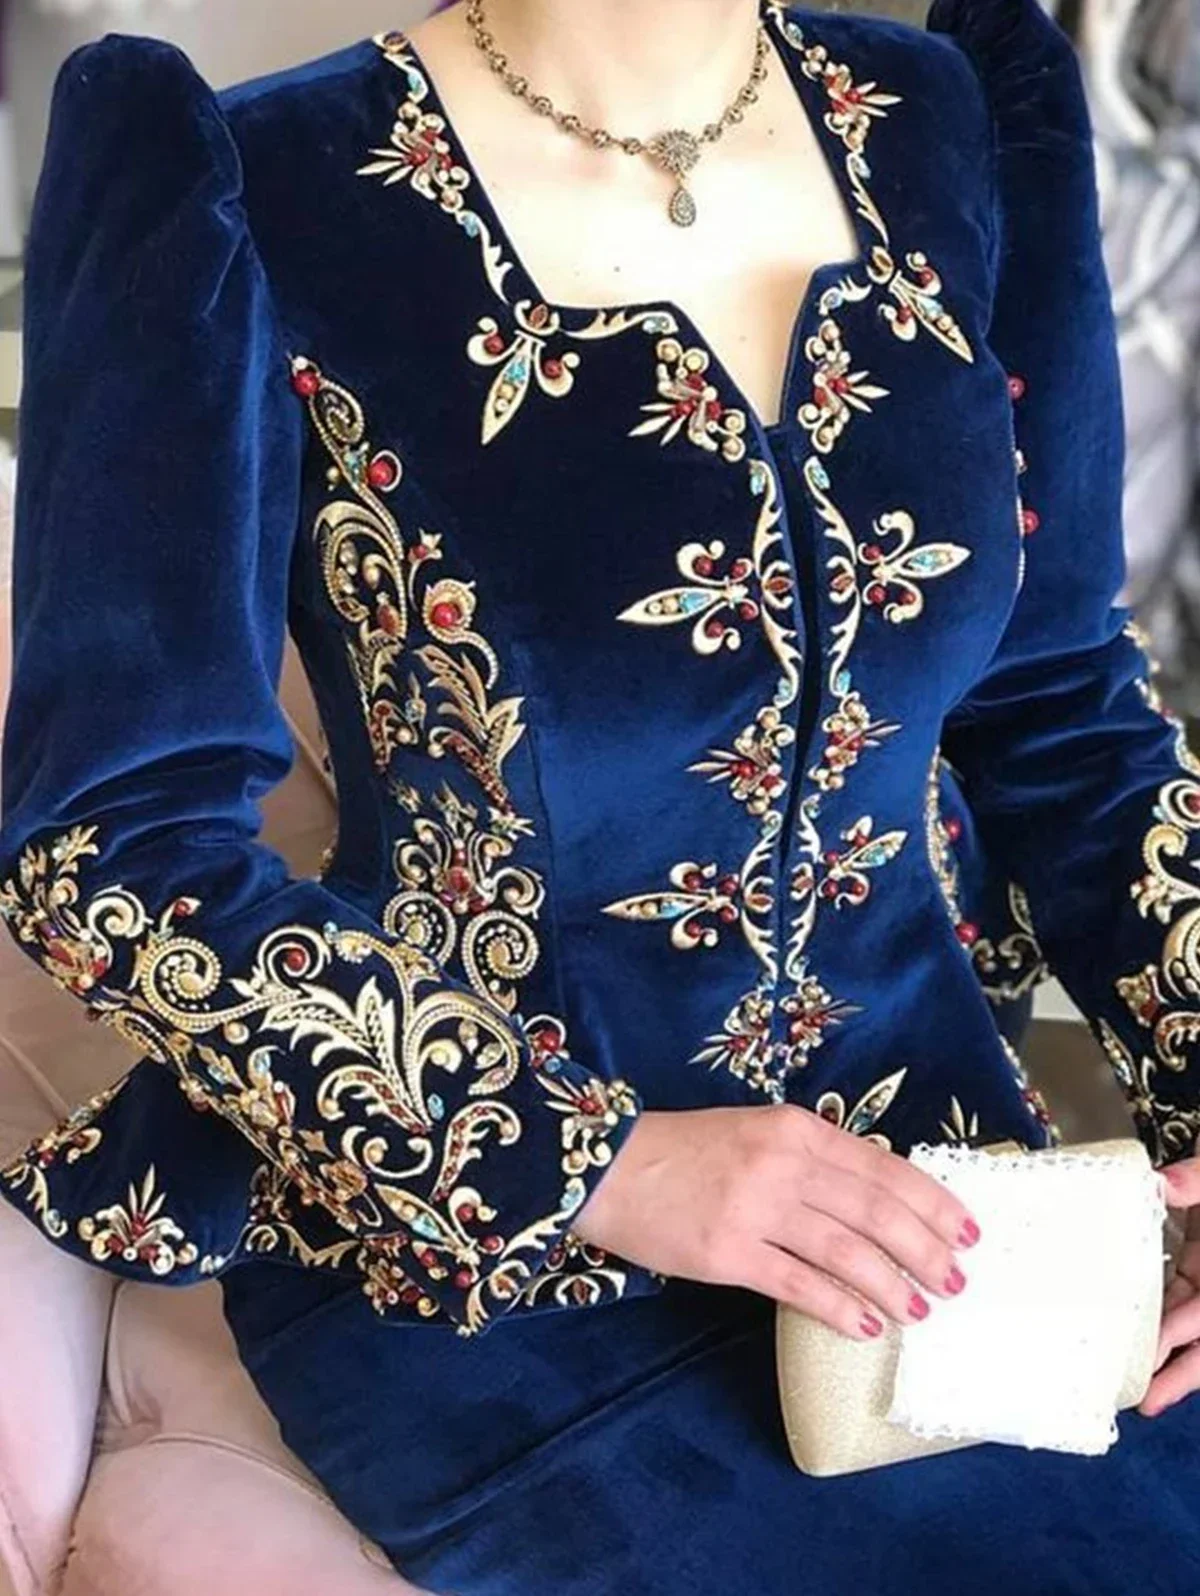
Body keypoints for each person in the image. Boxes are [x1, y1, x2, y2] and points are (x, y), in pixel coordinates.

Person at [4, 0, 1200, 1589]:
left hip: (957, 1226)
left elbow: (1062, 708)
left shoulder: (955, 111)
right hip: (488, 1270)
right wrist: (606, 1168)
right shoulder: (242, 176)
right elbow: (113, 850)